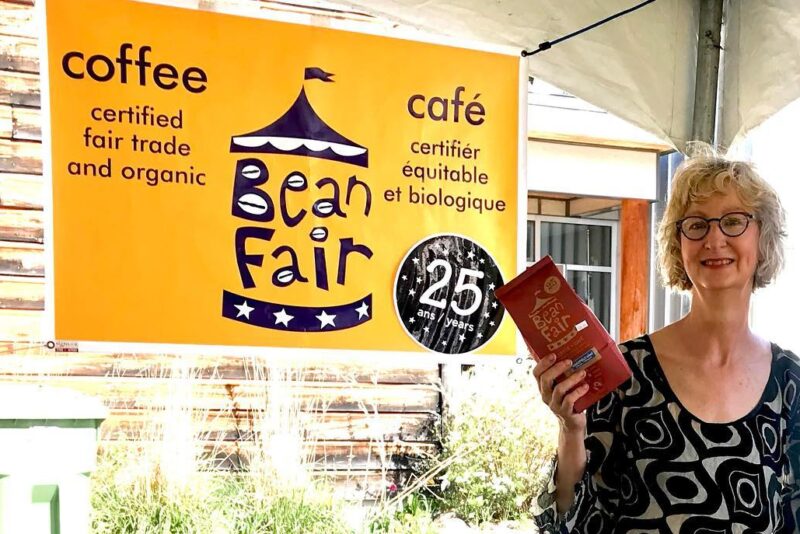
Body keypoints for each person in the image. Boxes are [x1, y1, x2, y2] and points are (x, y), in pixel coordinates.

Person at [531, 151, 800, 533]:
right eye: (697, 225)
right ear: (678, 244)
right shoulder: (624, 374)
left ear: (764, 236)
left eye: (733, 221)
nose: (715, 239)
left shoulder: (791, 383)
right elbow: (570, 525)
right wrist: (571, 430)